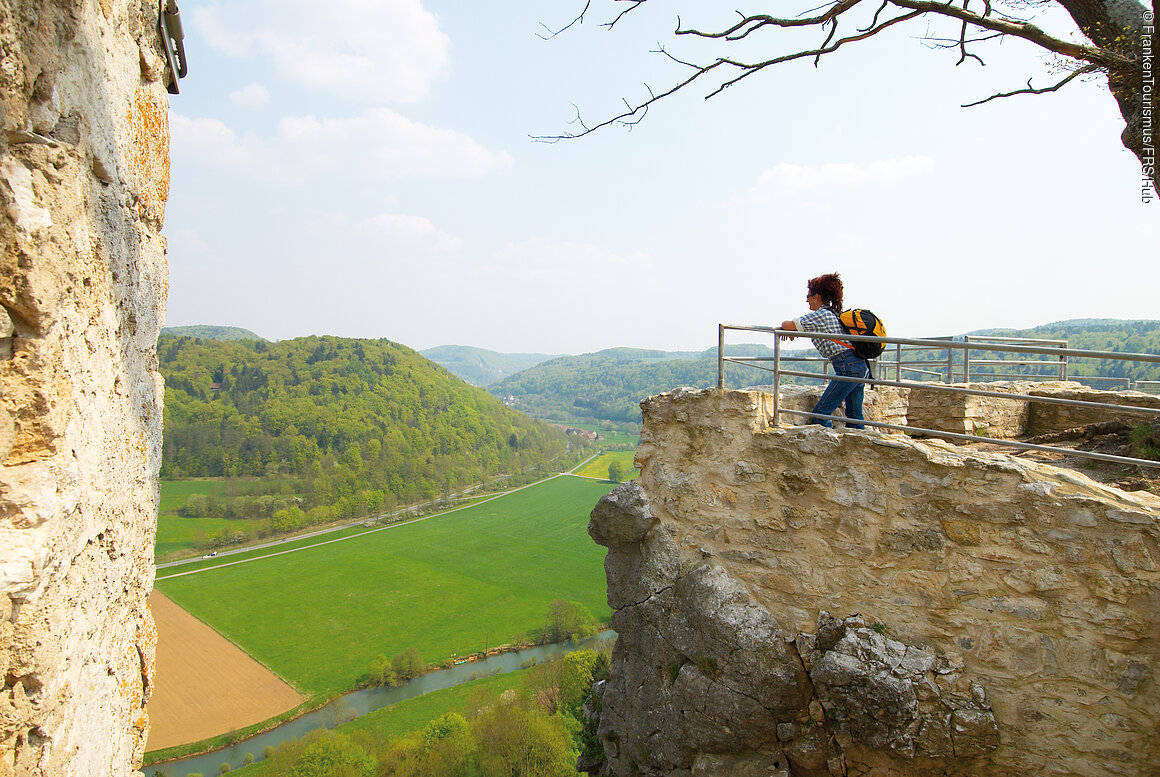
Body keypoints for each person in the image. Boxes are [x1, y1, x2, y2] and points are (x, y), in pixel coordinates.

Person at [780, 273, 869, 430]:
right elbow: (805, 328)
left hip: (847, 367)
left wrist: (790, 329)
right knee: (855, 418)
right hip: (858, 365)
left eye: (808, 296)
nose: (806, 300)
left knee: (821, 413)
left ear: (817, 296)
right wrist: (795, 331)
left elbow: (786, 325)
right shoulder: (831, 312)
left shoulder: (821, 314)